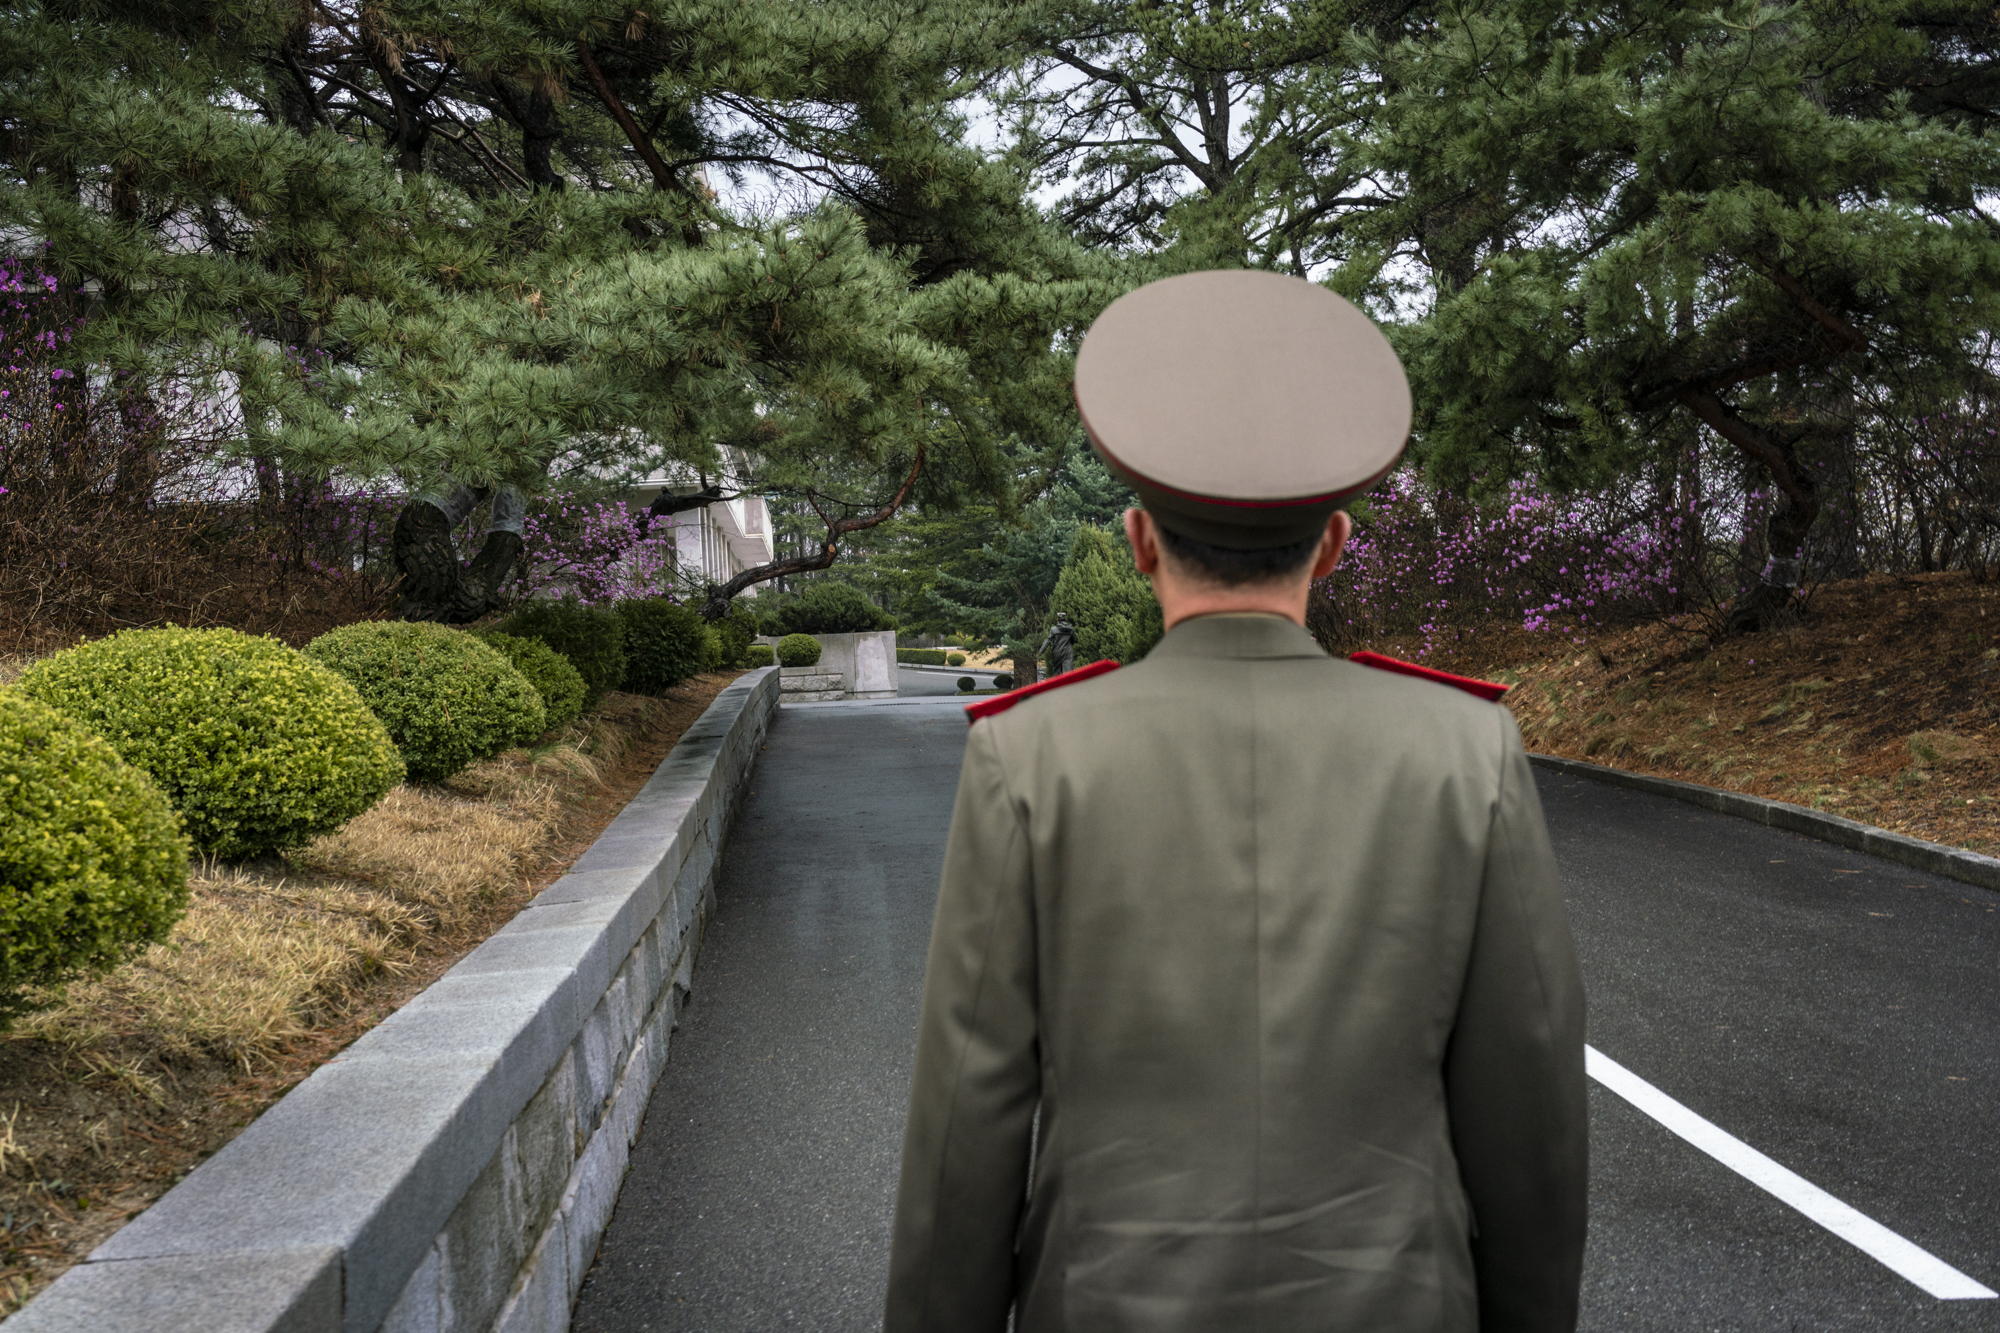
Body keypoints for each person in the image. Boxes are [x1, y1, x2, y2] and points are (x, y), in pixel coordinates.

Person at [885, 270, 1587, 1333]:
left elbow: (963, 1129)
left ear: (1138, 541)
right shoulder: (1463, 747)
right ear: (1335, 543)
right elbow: (1527, 1106)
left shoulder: (1029, 756)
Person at [1039, 612, 1076, 678]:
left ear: (1058, 620)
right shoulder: (1070, 629)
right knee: (1069, 674)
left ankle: (1056, 686)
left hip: (1057, 653)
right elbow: (1075, 640)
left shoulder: (1053, 629)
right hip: (1067, 653)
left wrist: (1041, 651)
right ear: (1065, 619)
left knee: (1056, 672)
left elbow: (1048, 640)